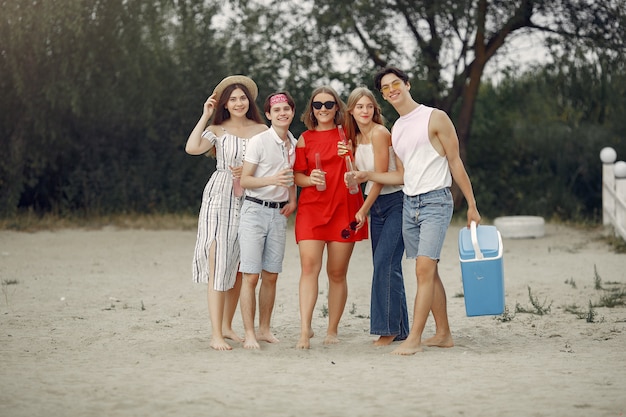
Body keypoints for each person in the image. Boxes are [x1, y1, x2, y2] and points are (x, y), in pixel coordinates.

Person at [353, 67, 481, 355]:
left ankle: (414, 339)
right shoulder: (396, 129)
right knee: (429, 273)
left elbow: (455, 162)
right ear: (384, 96)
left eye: (395, 83)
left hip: (436, 201)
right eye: (385, 88)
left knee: (424, 269)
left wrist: (472, 205)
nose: (391, 90)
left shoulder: (435, 117)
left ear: (407, 84)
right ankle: (444, 333)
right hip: (409, 203)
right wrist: (368, 176)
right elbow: (401, 176)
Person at [185, 75, 267, 351]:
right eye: (232, 99)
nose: (238, 102)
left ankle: (227, 326)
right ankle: (215, 334)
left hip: (251, 196)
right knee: (219, 261)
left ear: (249, 100)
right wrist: (205, 115)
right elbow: (192, 148)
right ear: (224, 103)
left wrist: (251, 172)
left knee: (242, 266)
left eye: (242, 97)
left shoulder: (261, 129)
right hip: (220, 195)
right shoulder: (217, 129)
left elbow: (270, 162)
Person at [293, 86, 368, 349]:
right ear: (311, 110)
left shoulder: (349, 135)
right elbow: (297, 176)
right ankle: (304, 330)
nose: (323, 109)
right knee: (308, 268)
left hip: (343, 208)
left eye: (328, 104)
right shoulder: (303, 139)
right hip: (312, 210)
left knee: (337, 273)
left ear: (337, 108)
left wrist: (350, 156)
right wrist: (309, 179)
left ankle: (332, 329)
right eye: (317, 105)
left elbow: (365, 170)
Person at [344, 87, 409, 346]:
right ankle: (401, 329)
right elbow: (356, 181)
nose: (365, 111)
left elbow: (379, 178)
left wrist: (362, 209)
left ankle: (387, 330)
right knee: (389, 266)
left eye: (369, 106)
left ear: (375, 110)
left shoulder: (381, 134)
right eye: (360, 107)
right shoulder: (354, 139)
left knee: (385, 264)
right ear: (351, 110)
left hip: (395, 203)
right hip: (377, 206)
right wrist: (347, 161)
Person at [238, 92, 298, 349]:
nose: (282, 113)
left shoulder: (294, 143)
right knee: (251, 276)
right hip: (254, 211)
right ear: (270, 115)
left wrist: (292, 199)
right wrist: (272, 181)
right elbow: (245, 180)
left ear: (292, 112)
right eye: (277, 110)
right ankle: (249, 333)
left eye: (287, 108)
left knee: (271, 275)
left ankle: (264, 329)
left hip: (278, 214)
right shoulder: (259, 141)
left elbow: (292, 176)